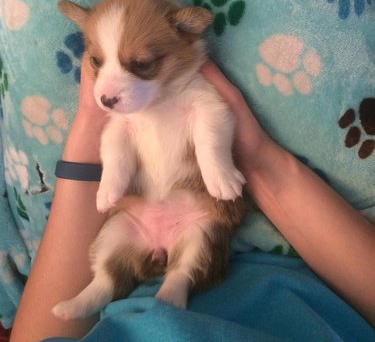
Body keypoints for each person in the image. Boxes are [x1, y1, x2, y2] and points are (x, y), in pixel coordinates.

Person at [10, 56, 375, 342]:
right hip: (301, 305)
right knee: (115, 237)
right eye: (99, 60)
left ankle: (179, 280)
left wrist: (236, 160)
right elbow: (118, 137)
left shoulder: (187, 84)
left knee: (201, 231)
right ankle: (100, 287)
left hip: (194, 212)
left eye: (137, 63)